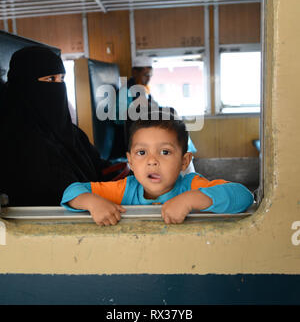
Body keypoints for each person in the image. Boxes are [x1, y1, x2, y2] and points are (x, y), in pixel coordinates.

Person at [61, 111, 254, 225]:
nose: (152, 161)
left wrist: (191, 200)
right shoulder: (124, 189)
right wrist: (93, 203)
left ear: (184, 161)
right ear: (130, 161)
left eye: (165, 152)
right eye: (142, 153)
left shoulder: (191, 185)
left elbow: (243, 196)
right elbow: (72, 191)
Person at [0, 46, 115, 207]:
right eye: (50, 80)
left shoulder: (71, 132)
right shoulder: (18, 142)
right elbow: (60, 187)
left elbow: (100, 168)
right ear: (24, 84)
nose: (58, 86)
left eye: (61, 79)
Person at [114, 56, 197, 170]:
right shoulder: (125, 91)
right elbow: (118, 118)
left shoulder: (144, 90)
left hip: (149, 131)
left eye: (150, 75)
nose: (148, 79)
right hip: (135, 135)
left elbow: (153, 107)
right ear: (134, 72)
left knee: (175, 126)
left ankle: (183, 158)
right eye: (145, 75)